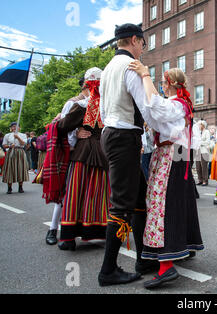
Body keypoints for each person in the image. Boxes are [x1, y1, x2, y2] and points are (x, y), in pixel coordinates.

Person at [128, 63, 204, 289]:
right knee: (175, 204)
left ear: (169, 83)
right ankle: (183, 247)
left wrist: (144, 76)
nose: (160, 86)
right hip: (170, 155)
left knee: (164, 206)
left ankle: (166, 265)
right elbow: (154, 115)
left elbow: (156, 108)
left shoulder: (177, 103)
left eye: (162, 83)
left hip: (171, 156)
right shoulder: (179, 104)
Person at [98, 23, 155, 286]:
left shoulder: (108, 68)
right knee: (121, 204)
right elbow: (147, 106)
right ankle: (108, 270)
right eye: (143, 43)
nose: (143, 48)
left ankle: (143, 256)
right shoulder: (130, 66)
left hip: (112, 134)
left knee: (139, 198)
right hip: (123, 137)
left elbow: (101, 113)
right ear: (134, 40)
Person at [55, 67, 110, 251]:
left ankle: (68, 238)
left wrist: (74, 130)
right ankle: (97, 232)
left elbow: (61, 126)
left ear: (87, 84)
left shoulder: (82, 106)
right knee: (97, 194)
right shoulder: (107, 107)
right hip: (102, 153)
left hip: (83, 153)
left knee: (76, 193)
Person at [44, 74, 92, 246]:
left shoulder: (95, 103)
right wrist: (75, 133)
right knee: (66, 193)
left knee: (80, 192)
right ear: (87, 86)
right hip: (70, 151)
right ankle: (53, 228)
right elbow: (61, 127)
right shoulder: (73, 103)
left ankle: (79, 228)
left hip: (85, 152)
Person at [2, 122, 29, 194]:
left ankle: (20, 187)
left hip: (20, 152)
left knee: (20, 169)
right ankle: (9, 188)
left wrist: (18, 138)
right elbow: (4, 145)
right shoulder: (7, 135)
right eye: (13, 126)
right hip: (11, 152)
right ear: (11, 128)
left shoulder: (23, 135)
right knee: (10, 169)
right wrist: (10, 146)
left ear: (19, 128)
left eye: (16, 126)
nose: (15, 128)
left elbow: (24, 143)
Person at [195, 120, 211, 186]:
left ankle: (205, 180)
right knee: (198, 166)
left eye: (199, 125)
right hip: (198, 151)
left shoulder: (207, 132)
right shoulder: (198, 132)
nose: (198, 126)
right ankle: (200, 180)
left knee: (204, 167)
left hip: (204, 151)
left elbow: (207, 142)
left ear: (203, 125)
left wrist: (200, 142)